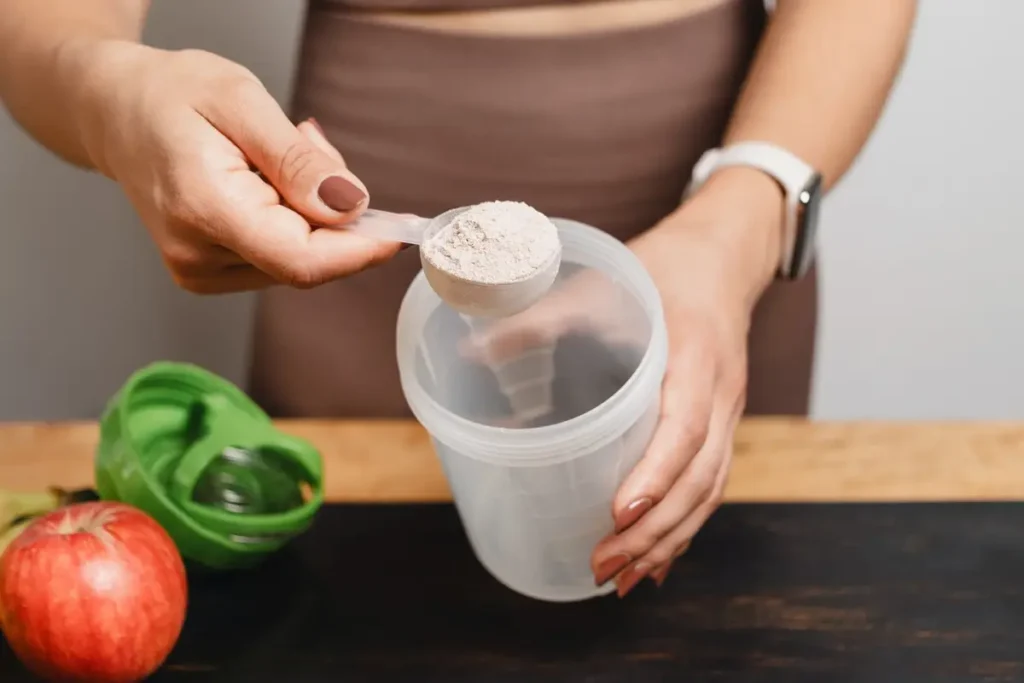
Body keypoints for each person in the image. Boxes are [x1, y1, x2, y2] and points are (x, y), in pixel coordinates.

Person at [0, 0, 916, 597]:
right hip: (356, 256)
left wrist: (738, 225)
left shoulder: (729, 246)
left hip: (725, 238)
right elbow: (43, 27)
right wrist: (112, 98)